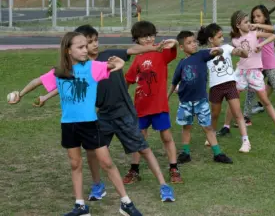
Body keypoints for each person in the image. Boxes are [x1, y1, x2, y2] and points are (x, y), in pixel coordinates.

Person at [36, 25, 176, 202]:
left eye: (96, 40)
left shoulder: (108, 55)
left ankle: (164, 186)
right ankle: (97, 185)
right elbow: (64, 83)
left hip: (124, 112)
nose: (94, 45)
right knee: (92, 151)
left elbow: (133, 49)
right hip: (102, 115)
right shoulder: (83, 67)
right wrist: (45, 97)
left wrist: (156, 47)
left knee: (143, 148)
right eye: (88, 42)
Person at [8, 32, 142, 216]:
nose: (85, 50)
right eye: (80, 47)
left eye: (85, 46)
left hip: (90, 124)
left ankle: (126, 203)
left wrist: (117, 63)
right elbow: (37, 81)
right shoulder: (60, 73)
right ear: (68, 50)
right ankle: (80, 206)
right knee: (75, 164)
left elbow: (116, 65)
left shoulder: (93, 67)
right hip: (69, 125)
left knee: (107, 162)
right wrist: (20, 94)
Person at [125, 21, 183, 184]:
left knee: (166, 136)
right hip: (141, 107)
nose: (148, 39)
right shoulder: (137, 59)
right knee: (139, 138)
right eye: (144, 37)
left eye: (151, 35)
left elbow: (172, 49)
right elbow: (127, 81)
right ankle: (134, 169)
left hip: (158, 105)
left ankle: (173, 168)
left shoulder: (160, 52)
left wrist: (175, 43)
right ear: (137, 40)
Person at [223, 5, 275, 132]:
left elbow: (274, 32)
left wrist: (260, 29)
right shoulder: (249, 32)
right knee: (250, 92)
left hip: (270, 64)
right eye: (253, 17)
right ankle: (246, 117)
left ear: (265, 17)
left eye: (258, 16)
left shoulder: (261, 29)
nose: (255, 19)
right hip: (254, 66)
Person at [167, 31, 233, 164]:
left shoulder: (202, 55)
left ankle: (218, 154)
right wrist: (166, 97)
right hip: (185, 101)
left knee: (208, 127)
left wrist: (218, 50)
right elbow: (174, 82)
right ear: (181, 47)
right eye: (189, 43)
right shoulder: (181, 64)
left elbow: (215, 52)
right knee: (186, 127)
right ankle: (185, 153)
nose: (193, 44)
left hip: (201, 101)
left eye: (194, 41)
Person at [197, 23, 251, 152]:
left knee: (237, 113)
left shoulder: (227, 47)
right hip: (215, 88)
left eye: (222, 36)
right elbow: (195, 68)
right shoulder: (205, 54)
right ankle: (211, 135)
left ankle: (245, 141)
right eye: (219, 37)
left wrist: (242, 50)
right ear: (211, 39)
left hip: (230, 85)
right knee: (214, 114)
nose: (222, 39)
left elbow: (241, 54)